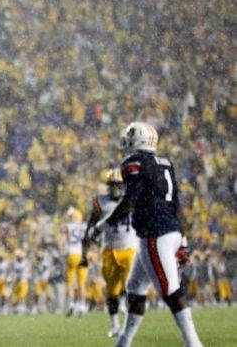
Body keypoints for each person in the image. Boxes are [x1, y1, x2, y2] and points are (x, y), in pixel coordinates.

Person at [95, 122, 203, 347]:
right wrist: (182, 239)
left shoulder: (134, 163)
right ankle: (124, 341)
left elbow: (130, 200)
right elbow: (175, 205)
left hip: (155, 233)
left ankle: (193, 343)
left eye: (129, 137)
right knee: (135, 288)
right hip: (169, 229)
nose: (126, 141)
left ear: (137, 139)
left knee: (170, 291)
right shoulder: (165, 163)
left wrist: (103, 224)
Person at [81, 169, 138, 337]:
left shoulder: (132, 200)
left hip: (130, 248)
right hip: (109, 250)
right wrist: (85, 250)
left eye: (119, 185)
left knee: (129, 285)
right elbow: (90, 226)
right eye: (113, 185)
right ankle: (115, 326)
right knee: (111, 290)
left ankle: (128, 320)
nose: (116, 189)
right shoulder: (100, 202)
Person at [61, 206, 88, 316]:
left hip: (72, 253)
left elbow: (61, 240)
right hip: (83, 255)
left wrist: (62, 250)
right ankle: (82, 305)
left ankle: (71, 303)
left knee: (70, 283)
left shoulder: (68, 226)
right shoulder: (85, 226)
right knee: (82, 284)